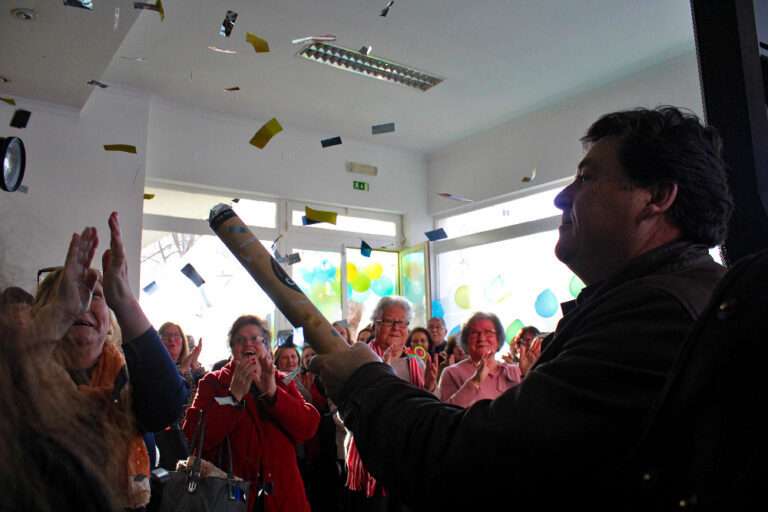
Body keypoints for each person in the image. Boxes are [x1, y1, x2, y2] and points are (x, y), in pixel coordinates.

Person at [309, 106, 733, 509]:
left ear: (656, 196)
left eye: (586, 178)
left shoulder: (654, 316)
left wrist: (362, 381)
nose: (561, 198)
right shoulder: (683, 296)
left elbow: (473, 465)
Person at [33, 212, 188, 509]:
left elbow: (168, 405)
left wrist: (123, 297)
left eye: (97, 296)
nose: (83, 305)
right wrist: (57, 315)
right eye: (73, 294)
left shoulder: (129, 375)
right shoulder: (27, 371)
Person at [183, 315, 320, 512]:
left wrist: (274, 394)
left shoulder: (282, 381)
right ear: (232, 348)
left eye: (256, 339)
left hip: (283, 496)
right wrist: (233, 397)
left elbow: (307, 428)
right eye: (240, 339)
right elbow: (193, 436)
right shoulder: (212, 383)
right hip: (233, 495)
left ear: (266, 346)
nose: (248, 343)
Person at [343, 296, 436, 511]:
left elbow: (430, 413)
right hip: (369, 457)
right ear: (375, 325)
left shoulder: (418, 364)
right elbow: (343, 406)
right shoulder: (359, 359)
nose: (396, 328)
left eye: (401, 322)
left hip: (407, 458)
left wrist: (429, 390)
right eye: (388, 321)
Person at [437, 312, 540, 407]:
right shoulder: (452, 372)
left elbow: (532, 408)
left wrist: (528, 375)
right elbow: (447, 415)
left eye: (488, 332)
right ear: (466, 340)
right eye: (475, 333)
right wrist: (475, 382)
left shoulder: (516, 371)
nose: (482, 338)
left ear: (498, 339)